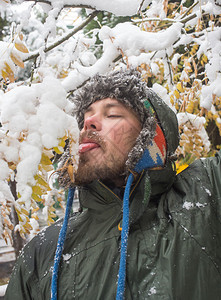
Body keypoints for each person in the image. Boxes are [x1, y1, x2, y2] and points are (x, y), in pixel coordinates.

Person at [5, 68, 221, 300]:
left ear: (151, 136)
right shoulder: (43, 253)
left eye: (112, 114)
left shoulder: (207, 196)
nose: (88, 122)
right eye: (85, 116)